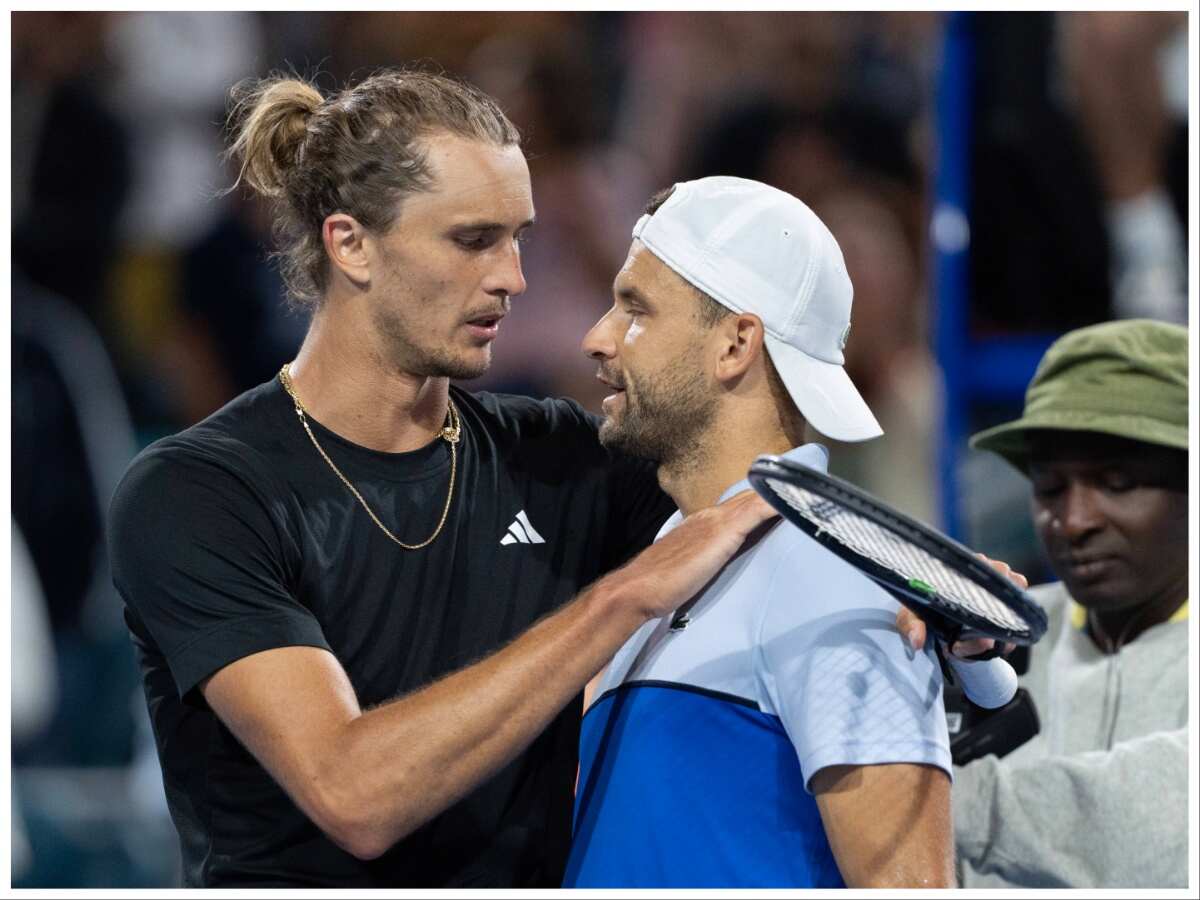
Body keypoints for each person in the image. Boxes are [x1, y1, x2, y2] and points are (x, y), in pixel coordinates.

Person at [107, 70, 779, 887]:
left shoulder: (561, 458)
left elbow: (771, 520)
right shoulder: (199, 492)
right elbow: (354, 793)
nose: (513, 277)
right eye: (472, 241)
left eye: (519, 238)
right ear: (349, 242)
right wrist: (622, 595)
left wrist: (922, 589)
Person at [563, 177, 955, 888]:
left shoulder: (835, 576)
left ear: (736, 343)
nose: (597, 337)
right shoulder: (656, 569)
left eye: (635, 308)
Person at [906, 319, 1189, 887]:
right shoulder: (986, 636)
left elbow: (1158, 830)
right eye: (1050, 487)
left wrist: (910, 788)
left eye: (1117, 482)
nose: (1074, 520)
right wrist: (910, 673)